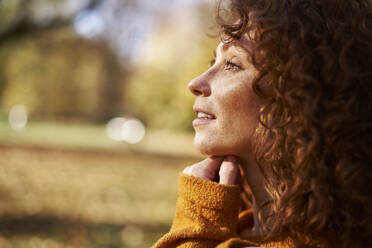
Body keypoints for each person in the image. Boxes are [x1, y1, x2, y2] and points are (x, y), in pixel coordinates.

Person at [153, 0, 372, 247]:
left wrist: (197, 224)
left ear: (298, 98)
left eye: (232, 65)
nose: (195, 82)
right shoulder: (236, 228)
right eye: (212, 63)